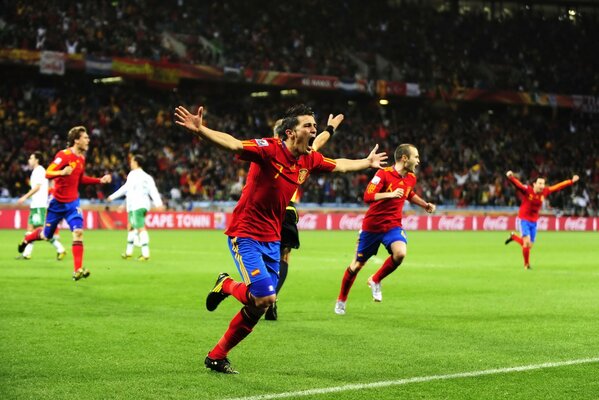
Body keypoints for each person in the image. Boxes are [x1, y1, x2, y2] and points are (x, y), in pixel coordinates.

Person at [174, 103, 387, 374]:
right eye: (308, 125)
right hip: (246, 233)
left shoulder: (308, 158)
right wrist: (201, 129)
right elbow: (234, 145)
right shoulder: (268, 149)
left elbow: (340, 165)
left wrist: (366, 163)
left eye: (314, 125)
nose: (314, 129)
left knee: (260, 304)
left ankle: (217, 355)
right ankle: (226, 284)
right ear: (289, 132)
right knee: (264, 297)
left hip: (272, 239)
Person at [334, 143, 436, 316]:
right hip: (372, 228)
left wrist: (424, 204)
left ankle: (375, 279)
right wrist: (389, 194)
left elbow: (409, 193)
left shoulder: (411, 178)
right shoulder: (383, 174)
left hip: (393, 226)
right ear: (405, 158)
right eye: (416, 157)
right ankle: (341, 300)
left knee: (400, 253)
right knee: (357, 265)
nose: (418, 161)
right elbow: (367, 196)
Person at [264, 115, 341, 321]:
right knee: (284, 256)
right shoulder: (300, 155)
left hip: (264, 211)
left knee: (264, 255)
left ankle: (266, 294)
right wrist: (330, 129)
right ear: (290, 133)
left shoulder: (267, 153)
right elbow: (318, 143)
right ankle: (273, 297)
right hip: (287, 209)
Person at [17, 126, 112, 280]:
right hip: (56, 203)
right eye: (85, 137)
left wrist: (99, 180)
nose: (88, 140)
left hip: (73, 203)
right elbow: (48, 172)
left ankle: (77, 270)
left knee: (78, 232)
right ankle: (27, 239)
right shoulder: (64, 155)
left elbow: (80, 179)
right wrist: (61, 172)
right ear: (76, 140)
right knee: (46, 235)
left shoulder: (81, 158)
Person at [504, 171, 579, 269]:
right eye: (539, 183)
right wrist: (511, 177)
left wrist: (571, 181)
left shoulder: (545, 191)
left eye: (543, 184)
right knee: (526, 243)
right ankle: (526, 265)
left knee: (528, 246)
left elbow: (557, 187)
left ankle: (514, 237)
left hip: (534, 221)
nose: (542, 186)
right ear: (534, 184)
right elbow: (518, 185)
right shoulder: (527, 190)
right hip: (524, 219)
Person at [107, 154, 165, 261]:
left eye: (132, 161)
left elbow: (125, 188)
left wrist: (112, 196)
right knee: (131, 226)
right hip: (142, 205)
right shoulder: (147, 177)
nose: (130, 163)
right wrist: (158, 203)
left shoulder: (132, 174)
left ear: (136, 162)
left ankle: (145, 253)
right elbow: (153, 190)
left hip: (136, 205)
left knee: (140, 227)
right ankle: (129, 252)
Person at [16, 151, 66, 260]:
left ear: (37, 160)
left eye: (31, 158)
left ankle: (60, 249)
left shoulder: (39, 171)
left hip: (39, 205)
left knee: (43, 232)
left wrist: (25, 197)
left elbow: (37, 187)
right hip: (36, 205)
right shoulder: (36, 171)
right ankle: (26, 253)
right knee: (30, 229)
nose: (29, 160)